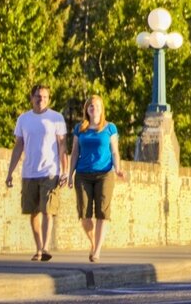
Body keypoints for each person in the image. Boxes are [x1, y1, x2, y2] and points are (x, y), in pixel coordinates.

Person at [4, 83, 67, 261]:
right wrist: (10, 173)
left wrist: (65, 171)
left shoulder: (56, 118)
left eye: (45, 97)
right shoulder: (23, 119)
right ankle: (38, 247)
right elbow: (18, 146)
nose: (41, 100)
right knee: (33, 212)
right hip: (29, 171)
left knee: (48, 209)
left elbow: (62, 145)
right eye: (38, 97)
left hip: (50, 171)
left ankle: (46, 247)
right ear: (32, 98)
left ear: (49, 99)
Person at [66, 93, 126, 263]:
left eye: (97, 106)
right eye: (91, 106)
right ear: (87, 109)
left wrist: (118, 168)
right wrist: (70, 174)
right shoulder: (80, 128)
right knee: (84, 215)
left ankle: (97, 251)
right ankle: (93, 243)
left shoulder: (109, 128)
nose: (94, 108)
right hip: (83, 174)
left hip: (104, 174)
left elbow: (114, 151)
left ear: (102, 109)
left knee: (102, 213)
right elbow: (75, 151)